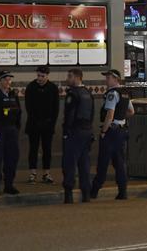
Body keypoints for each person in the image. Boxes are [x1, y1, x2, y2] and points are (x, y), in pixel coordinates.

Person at [90, 69, 135, 200]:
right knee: (119, 163)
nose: (106, 80)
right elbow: (131, 112)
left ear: (116, 79)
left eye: (108, 77)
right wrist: (120, 118)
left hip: (111, 132)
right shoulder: (125, 93)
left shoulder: (112, 93)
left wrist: (104, 131)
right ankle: (123, 192)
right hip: (121, 131)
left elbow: (109, 115)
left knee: (103, 162)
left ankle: (93, 191)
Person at [62, 68, 95, 204]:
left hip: (74, 132)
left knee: (69, 163)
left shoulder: (73, 94)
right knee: (84, 164)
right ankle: (86, 194)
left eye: (69, 76)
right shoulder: (88, 93)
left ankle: (68, 194)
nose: (67, 79)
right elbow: (92, 114)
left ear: (77, 77)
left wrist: (65, 132)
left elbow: (69, 115)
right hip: (87, 132)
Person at [24, 66, 59, 184]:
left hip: (47, 124)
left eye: (42, 76)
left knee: (47, 149)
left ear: (47, 76)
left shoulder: (52, 88)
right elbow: (28, 106)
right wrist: (35, 120)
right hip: (34, 123)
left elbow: (56, 108)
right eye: (38, 75)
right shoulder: (31, 87)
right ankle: (33, 173)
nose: (40, 78)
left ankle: (46, 173)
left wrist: (51, 123)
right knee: (33, 149)